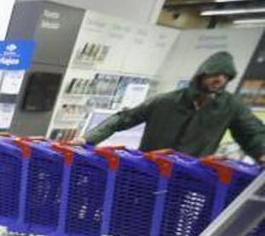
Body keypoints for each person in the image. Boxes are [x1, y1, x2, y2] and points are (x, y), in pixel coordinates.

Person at [83, 51, 265, 163]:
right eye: (216, 74)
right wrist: (87, 139)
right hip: (148, 169)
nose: (220, 80)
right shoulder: (165, 102)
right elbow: (122, 119)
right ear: (202, 74)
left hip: (189, 177)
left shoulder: (230, 106)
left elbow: (252, 132)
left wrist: (261, 152)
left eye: (226, 76)